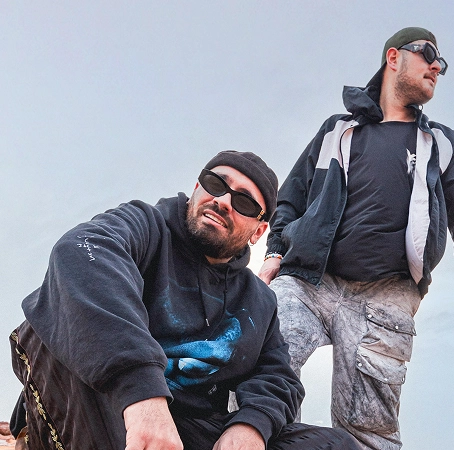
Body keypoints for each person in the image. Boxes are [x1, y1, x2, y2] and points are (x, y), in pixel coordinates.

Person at [9, 150, 360, 450]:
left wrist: (251, 425)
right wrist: (141, 392)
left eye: (243, 202)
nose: (223, 201)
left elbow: (277, 376)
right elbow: (83, 253)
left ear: (258, 231)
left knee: (335, 445)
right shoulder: (144, 225)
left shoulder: (259, 302)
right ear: (196, 189)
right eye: (215, 184)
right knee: (69, 304)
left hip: (185, 425)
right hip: (96, 399)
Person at [258, 27, 454, 449]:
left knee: (368, 428)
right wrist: (274, 253)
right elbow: (291, 196)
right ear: (393, 57)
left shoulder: (443, 143)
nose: (437, 67)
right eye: (428, 54)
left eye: (442, 63)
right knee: (258, 375)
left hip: (387, 295)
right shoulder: (337, 131)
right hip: (309, 280)